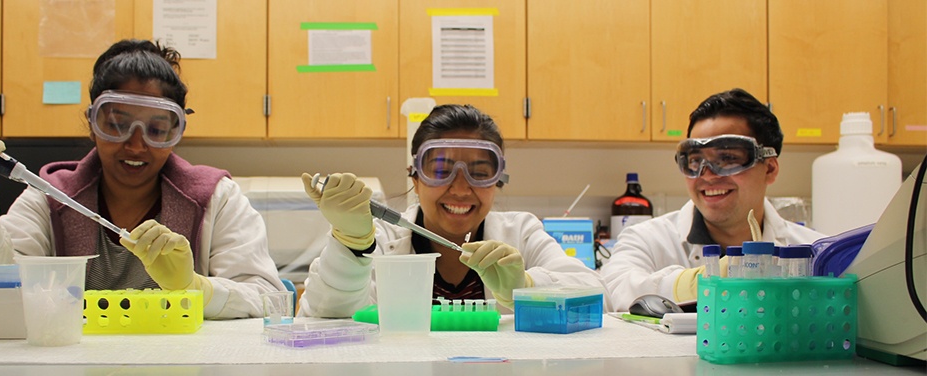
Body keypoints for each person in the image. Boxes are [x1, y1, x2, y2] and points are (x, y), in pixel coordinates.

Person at [0, 39, 285, 319]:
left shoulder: (215, 197)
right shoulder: (50, 196)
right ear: (92, 122)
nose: (135, 144)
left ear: (177, 131)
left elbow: (269, 298)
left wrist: (195, 288)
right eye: (116, 123)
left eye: (157, 129)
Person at [296, 104, 603, 317]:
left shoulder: (520, 233)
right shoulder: (378, 237)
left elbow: (598, 297)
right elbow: (321, 317)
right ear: (415, 179)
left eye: (479, 172)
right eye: (441, 170)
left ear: (498, 181)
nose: (460, 188)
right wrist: (352, 245)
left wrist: (527, 287)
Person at [599, 88, 825, 311]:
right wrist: (698, 282)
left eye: (727, 158)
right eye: (696, 160)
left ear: (770, 169)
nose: (707, 174)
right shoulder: (648, 240)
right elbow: (615, 291)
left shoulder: (816, 251)